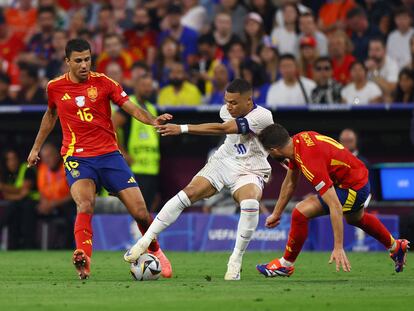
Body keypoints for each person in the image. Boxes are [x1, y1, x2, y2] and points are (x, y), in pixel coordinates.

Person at [26, 38, 173, 280]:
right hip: (77, 157)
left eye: (87, 59)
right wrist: (35, 148)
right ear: (67, 62)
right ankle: (84, 259)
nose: (84, 64)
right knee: (85, 204)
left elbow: (131, 107)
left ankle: (157, 252)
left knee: (140, 212)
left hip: (109, 156)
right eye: (78, 60)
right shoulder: (54, 87)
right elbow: (50, 115)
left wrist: (151, 120)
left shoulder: (104, 83)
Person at [124, 78, 274, 281]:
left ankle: (235, 260)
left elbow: (223, 129)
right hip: (224, 160)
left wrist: (182, 128)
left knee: (249, 203)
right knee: (187, 194)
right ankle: (145, 240)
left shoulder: (263, 116)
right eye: (226, 101)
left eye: (234, 103)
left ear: (249, 101)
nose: (228, 107)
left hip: (250, 168)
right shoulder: (225, 111)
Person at [256, 123, 409, 277]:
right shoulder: (299, 140)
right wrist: (276, 213)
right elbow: (290, 183)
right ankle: (396, 247)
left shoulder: (309, 161)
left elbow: (335, 205)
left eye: (269, 152)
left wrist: (338, 246)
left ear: (274, 150)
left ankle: (285, 264)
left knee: (300, 212)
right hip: (356, 177)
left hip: (353, 188)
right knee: (356, 218)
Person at [113, 74, 161, 212]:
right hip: (135, 169)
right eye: (144, 86)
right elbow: (112, 125)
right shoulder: (129, 105)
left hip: (152, 168)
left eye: (150, 86)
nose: (147, 89)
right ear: (136, 86)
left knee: (148, 210)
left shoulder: (151, 108)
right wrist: (121, 152)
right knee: (135, 211)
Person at [37, 142, 76, 248]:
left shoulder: (68, 166)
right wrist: (44, 203)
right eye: (44, 157)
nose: (47, 160)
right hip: (49, 203)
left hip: (67, 203)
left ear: (57, 154)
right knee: (26, 208)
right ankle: (29, 245)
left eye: (49, 156)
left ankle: (65, 247)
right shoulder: (43, 168)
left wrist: (54, 204)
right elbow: (42, 190)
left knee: (71, 211)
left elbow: (75, 193)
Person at [0, 149, 38, 249]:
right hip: (17, 203)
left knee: (21, 208)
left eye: (14, 159)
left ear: (18, 159)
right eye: (9, 160)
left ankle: (28, 245)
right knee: (13, 211)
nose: (12, 162)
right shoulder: (6, 173)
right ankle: (13, 246)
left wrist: (3, 187)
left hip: (33, 202)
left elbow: (24, 193)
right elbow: (6, 196)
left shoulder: (27, 169)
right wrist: (14, 195)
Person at [366, 37, 399, 102]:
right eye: (371, 50)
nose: (373, 53)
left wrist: (374, 72)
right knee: (356, 99)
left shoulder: (392, 65)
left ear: (385, 50)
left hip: (385, 101)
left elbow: (391, 90)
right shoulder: (364, 66)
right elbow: (358, 88)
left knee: (387, 98)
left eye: (377, 50)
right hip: (368, 99)